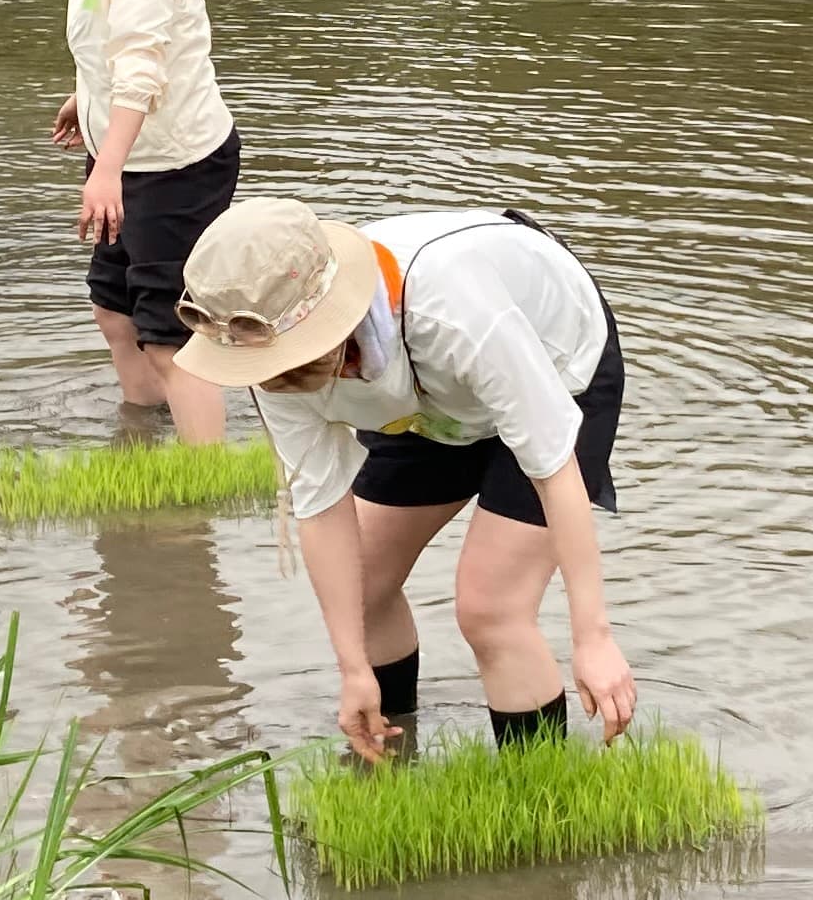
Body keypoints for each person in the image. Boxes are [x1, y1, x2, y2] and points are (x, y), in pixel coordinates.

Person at [173, 196, 636, 759]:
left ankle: (538, 803)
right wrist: (352, 668)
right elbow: (321, 506)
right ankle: (392, 762)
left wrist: (593, 637)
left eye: (297, 361)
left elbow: (554, 469)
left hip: (556, 369)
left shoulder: (456, 311)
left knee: (491, 607)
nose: (277, 381)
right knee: (364, 586)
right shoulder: (267, 361)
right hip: (424, 408)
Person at [37, 0, 239, 445]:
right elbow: (112, 40)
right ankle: (145, 435)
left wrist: (107, 168)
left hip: (174, 160)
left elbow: (146, 65)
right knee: (112, 310)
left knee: (166, 330)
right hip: (128, 150)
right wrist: (83, 94)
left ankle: (203, 476)